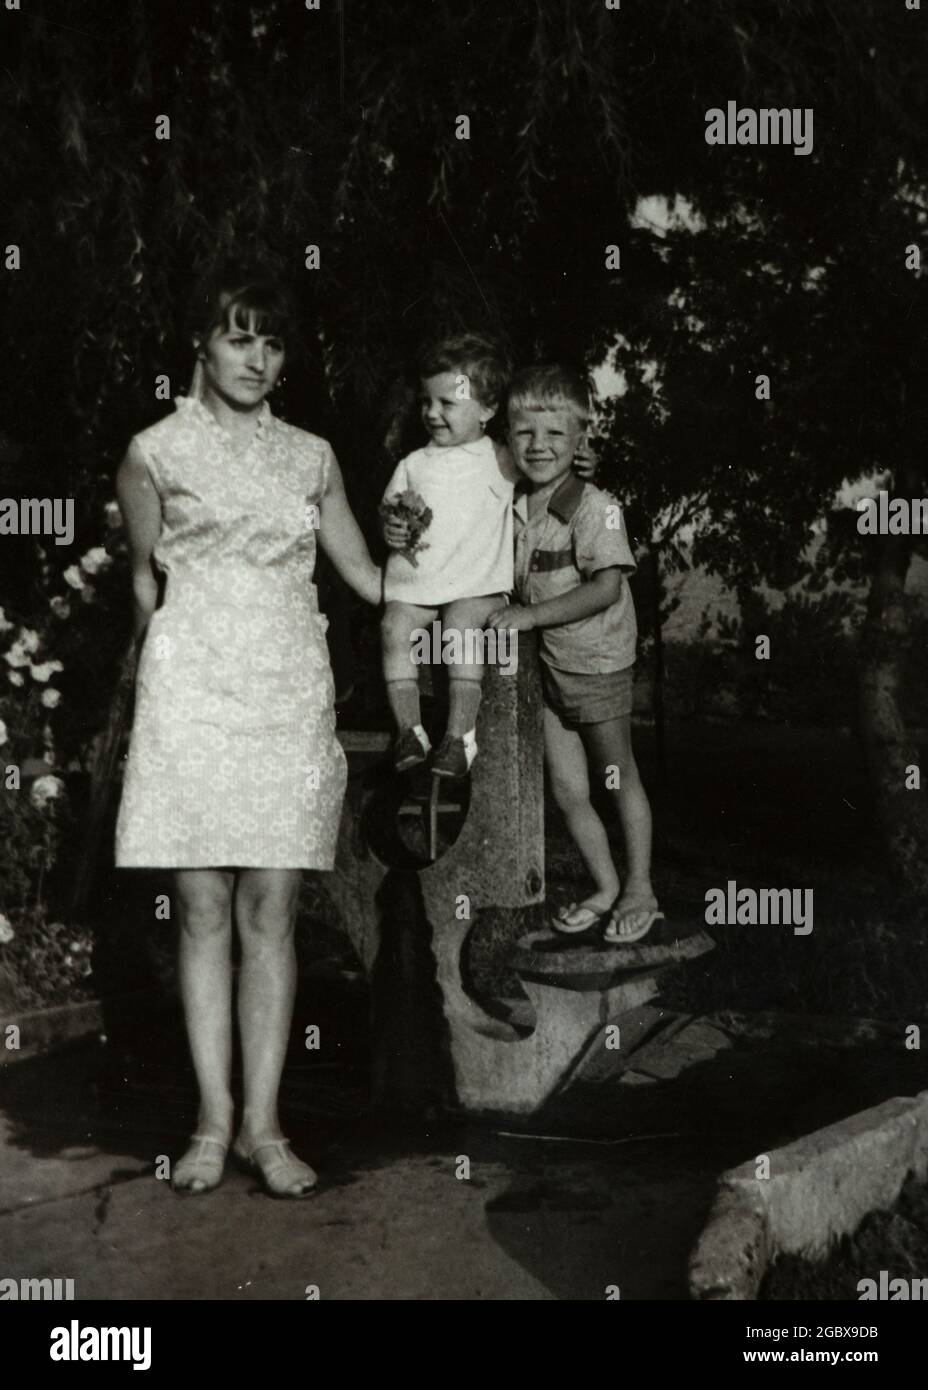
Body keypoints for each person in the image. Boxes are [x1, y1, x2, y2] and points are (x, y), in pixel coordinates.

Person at [115, 275, 382, 1196]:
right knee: (199, 909)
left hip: (284, 695)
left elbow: (368, 576)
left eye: (272, 345)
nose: (258, 360)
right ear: (202, 342)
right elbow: (148, 594)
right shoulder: (152, 452)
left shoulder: (312, 457)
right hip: (192, 693)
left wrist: (461, 557)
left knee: (270, 910)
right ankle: (209, 1122)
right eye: (239, 341)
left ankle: (265, 1129)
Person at [489, 365, 662, 944]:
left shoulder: (597, 507)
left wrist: (530, 616)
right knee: (566, 791)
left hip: (595, 664)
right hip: (546, 669)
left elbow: (607, 586)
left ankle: (641, 889)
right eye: (524, 434)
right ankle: (606, 886)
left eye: (555, 435)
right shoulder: (514, 501)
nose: (538, 446)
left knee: (617, 777)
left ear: (582, 440)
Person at [379, 333, 517, 778]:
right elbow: (393, 515)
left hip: (479, 587)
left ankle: (460, 737)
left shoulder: (500, 459)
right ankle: (409, 732)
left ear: (488, 409)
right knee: (394, 625)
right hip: (422, 584)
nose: (432, 413)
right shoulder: (414, 463)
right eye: (426, 401)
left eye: (448, 403)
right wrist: (394, 529)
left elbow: (545, 467)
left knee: (460, 624)